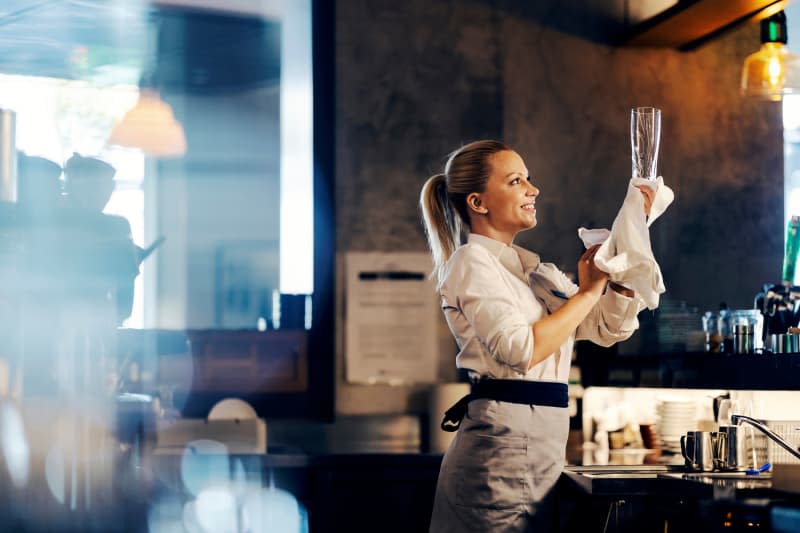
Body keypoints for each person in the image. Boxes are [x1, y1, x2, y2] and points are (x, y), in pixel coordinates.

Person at [419, 140, 655, 532]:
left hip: (539, 450)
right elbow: (522, 349)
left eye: (528, 178)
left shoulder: (533, 270)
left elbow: (606, 329)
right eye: (516, 181)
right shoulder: (470, 261)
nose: (533, 189)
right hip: (498, 457)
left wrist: (624, 261)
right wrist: (587, 292)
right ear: (478, 203)